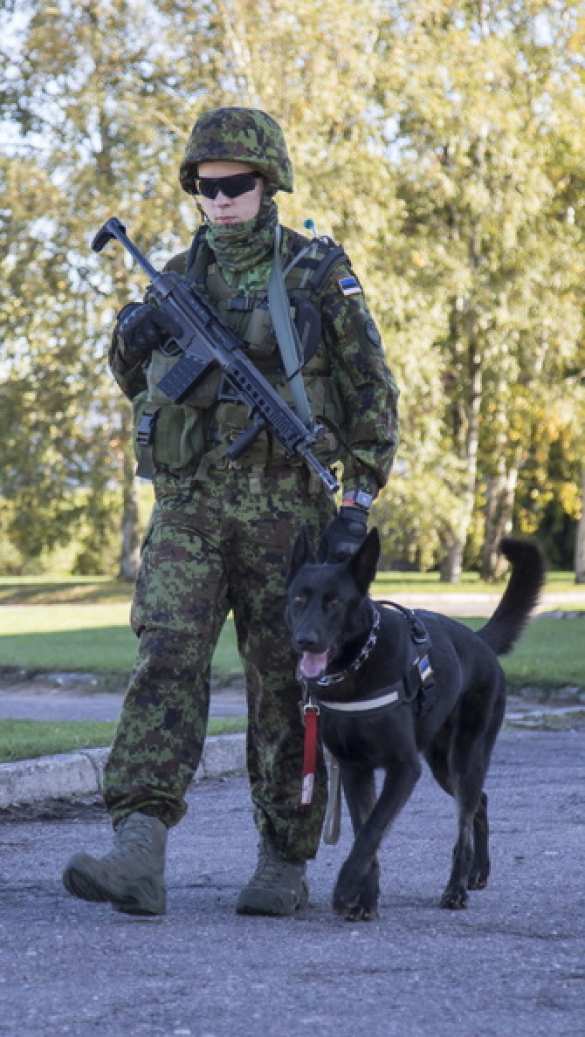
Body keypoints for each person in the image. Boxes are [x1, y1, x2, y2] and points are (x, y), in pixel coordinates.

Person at [62, 107, 399, 917]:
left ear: (269, 182)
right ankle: (137, 847)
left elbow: (373, 400)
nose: (219, 199)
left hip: (288, 519)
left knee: (285, 681)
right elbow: (140, 383)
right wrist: (131, 335)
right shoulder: (176, 275)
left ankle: (284, 858)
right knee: (166, 658)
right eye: (206, 187)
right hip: (189, 509)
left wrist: (353, 505)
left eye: (236, 185)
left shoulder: (317, 275)